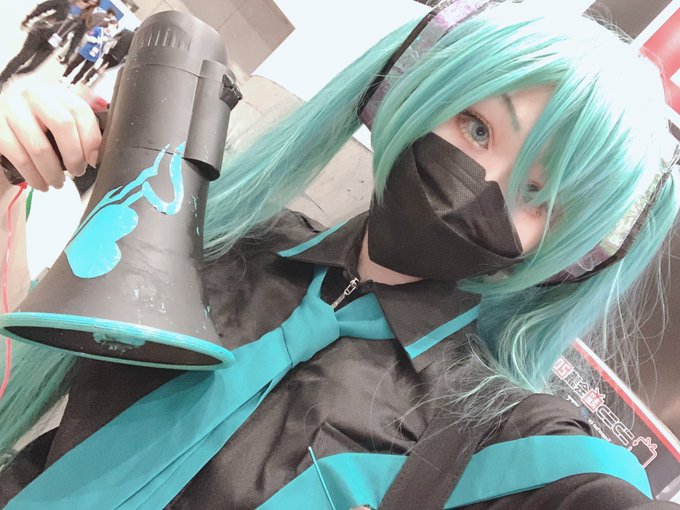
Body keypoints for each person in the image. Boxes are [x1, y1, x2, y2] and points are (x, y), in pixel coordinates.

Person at [0, 1, 679, 508]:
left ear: (565, 252)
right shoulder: (217, 235)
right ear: (415, 92)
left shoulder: (495, 440)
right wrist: (10, 175)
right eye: (476, 127)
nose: (479, 189)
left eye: (538, 197)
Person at [0, 0, 70, 91]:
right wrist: (29, 18)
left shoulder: (84, 16)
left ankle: (12, 73)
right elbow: (43, 6)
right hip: (39, 32)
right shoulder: (64, 2)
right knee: (23, 58)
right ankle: (3, 79)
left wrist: (69, 52)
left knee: (33, 67)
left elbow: (77, 35)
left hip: (51, 44)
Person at [61, 18, 113, 86]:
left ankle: (73, 83)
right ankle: (64, 76)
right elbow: (89, 38)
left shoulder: (110, 38)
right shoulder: (98, 29)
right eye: (112, 25)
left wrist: (107, 46)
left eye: (115, 27)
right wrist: (99, 40)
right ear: (109, 24)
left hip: (95, 56)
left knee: (84, 70)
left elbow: (105, 51)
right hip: (86, 50)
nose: (112, 28)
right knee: (74, 63)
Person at [57, 0, 102, 65]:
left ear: (96, 3)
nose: (92, 1)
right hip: (78, 22)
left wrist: (88, 28)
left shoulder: (94, 11)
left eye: (94, 1)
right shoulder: (88, 5)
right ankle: (61, 44)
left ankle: (66, 59)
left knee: (74, 43)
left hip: (82, 26)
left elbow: (90, 22)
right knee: (65, 32)